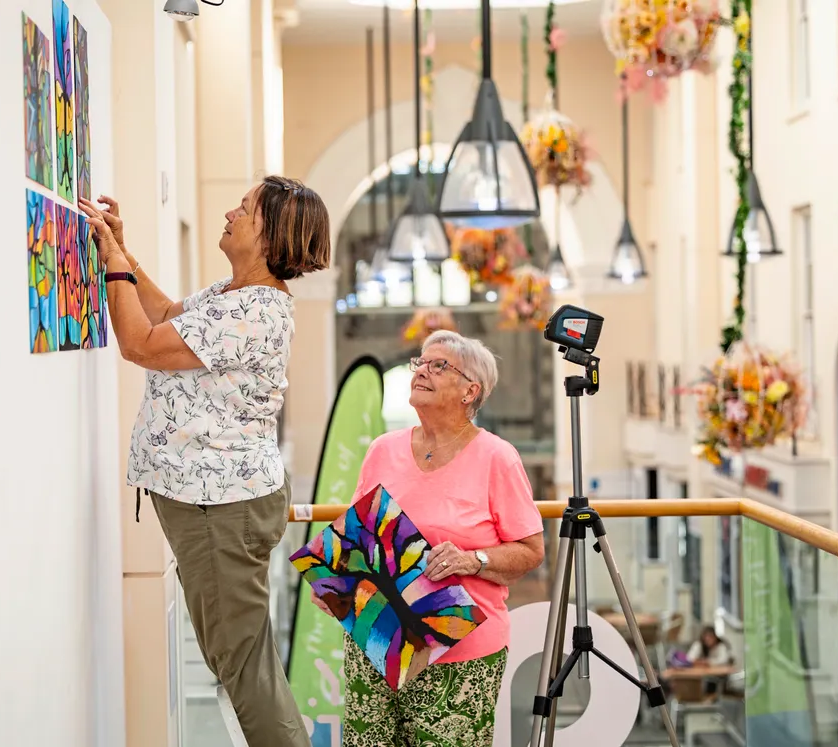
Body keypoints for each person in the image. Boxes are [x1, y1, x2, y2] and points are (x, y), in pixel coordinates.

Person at [79, 176, 329, 747]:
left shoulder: (257, 312)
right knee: (239, 660)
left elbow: (141, 344)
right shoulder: (233, 297)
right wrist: (122, 249)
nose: (229, 213)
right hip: (217, 504)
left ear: (271, 236)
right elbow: (165, 313)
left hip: (223, 508)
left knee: (241, 666)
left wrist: (114, 259)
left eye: (243, 209)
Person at [311, 331, 546, 747]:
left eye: (439, 366)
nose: (421, 370)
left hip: (459, 655)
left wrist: (474, 561)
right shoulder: (383, 449)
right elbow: (357, 534)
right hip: (376, 639)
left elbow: (530, 551)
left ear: (470, 391)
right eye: (421, 362)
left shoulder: (497, 457)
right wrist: (335, 579)